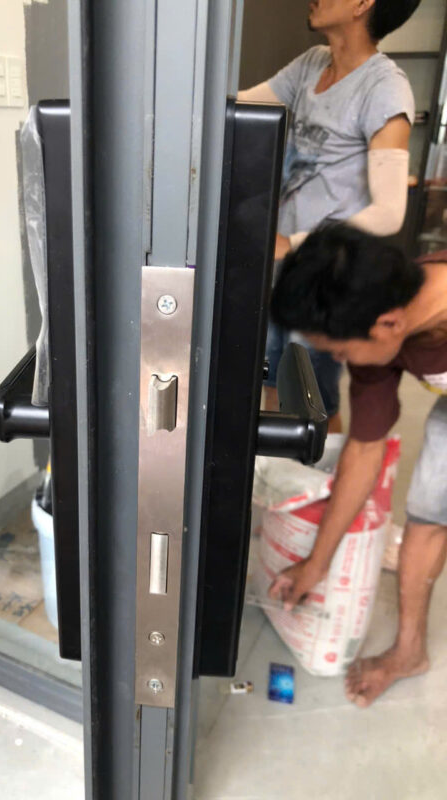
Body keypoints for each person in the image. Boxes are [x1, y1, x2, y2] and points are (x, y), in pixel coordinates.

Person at [269, 222, 447, 708]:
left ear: (388, 324)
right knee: (429, 510)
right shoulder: (384, 315)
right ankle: (409, 652)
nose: (342, 359)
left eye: (341, 352)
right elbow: (365, 450)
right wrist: (316, 565)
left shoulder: (385, 320)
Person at [238, 0, 420, 432]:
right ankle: (279, 471)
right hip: (283, 261)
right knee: (273, 378)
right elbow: (239, 105)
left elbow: (389, 214)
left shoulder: (385, 88)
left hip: (326, 275)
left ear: (363, 4)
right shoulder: (312, 64)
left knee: (314, 400)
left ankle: (318, 469)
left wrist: (294, 243)